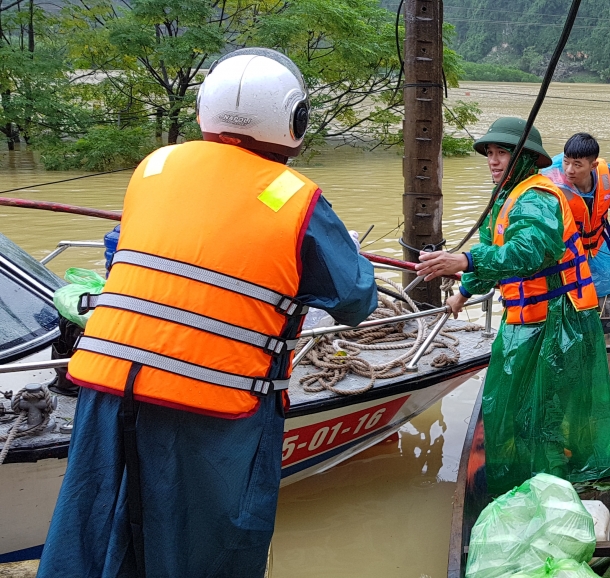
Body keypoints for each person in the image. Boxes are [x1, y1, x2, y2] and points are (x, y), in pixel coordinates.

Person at [39, 48, 377, 578]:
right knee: (207, 549)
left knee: (94, 533)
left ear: (204, 109)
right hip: (212, 412)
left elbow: (121, 251)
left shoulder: (156, 168)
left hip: (105, 394)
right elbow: (356, 296)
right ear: (295, 120)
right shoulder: (296, 199)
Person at [416, 118, 610, 495]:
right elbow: (495, 253)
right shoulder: (506, 198)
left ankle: (552, 480)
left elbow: (530, 251)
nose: (493, 161)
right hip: (529, 322)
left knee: (546, 409)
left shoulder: (537, 197)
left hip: (560, 321)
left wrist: (466, 262)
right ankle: (533, 474)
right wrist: (464, 291)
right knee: (517, 406)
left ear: (524, 158)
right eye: (489, 154)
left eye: (502, 153)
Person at [541, 132, 610, 298]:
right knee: (560, 292)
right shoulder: (550, 179)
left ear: (593, 166)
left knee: (609, 278)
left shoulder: (608, 176)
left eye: (577, 165)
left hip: (593, 244)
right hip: (562, 250)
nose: (569, 170)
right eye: (566, 162)